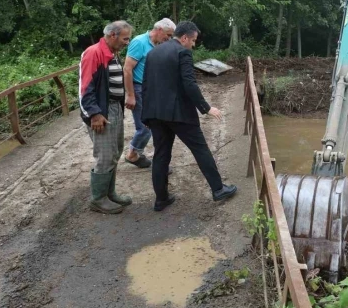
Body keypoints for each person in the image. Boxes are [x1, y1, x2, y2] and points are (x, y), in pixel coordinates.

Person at [141, 21, 237, 211]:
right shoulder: (182, 52)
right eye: (193, 40)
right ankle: (218, 189)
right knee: (200, 149)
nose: (193, 44)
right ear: (184, 38)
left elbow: (146, 85)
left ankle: (161, 199)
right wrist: (206, 108)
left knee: (161, 155)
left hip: (155, 114)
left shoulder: (153, 52)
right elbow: (189, 84)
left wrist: (146, 115)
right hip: (178, 113)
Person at [79, 20, 133, 214]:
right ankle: (98, 199)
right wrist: (94, 114)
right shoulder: (94, 53)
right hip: (102, 111)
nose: (127, 42)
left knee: (115, 152)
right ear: (113, 36)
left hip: (113, 109)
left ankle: (110, 193)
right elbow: (85, 87)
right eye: (125, 39)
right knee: (105, 155)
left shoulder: (112, 53)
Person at [123, 18, 176, 168]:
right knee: (145, 127)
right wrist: (131, 95)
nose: (169, 38)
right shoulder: (139, 42)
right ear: (159, 30)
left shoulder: (157, 45)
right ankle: (132, 155)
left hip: (151, 90)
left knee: (153, 124)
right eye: (168, 34)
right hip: (139, 89)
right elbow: (127, 69)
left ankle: (135, 153)